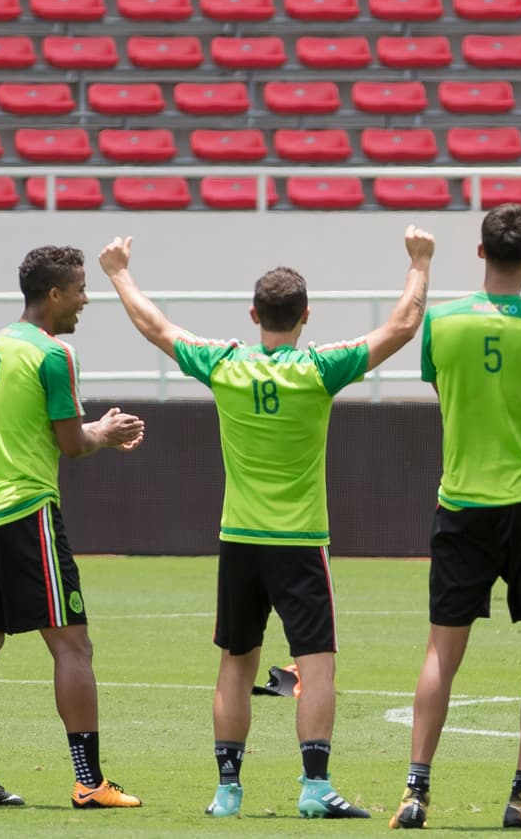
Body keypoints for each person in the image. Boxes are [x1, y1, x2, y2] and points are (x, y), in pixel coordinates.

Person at [98, 228, 434, 820]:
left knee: (236, 661)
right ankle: (314, 787)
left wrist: (119, 272)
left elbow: (157, 327)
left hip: (240, 540)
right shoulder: (320, 369)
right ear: (306, 316)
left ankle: (227, 792)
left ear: (254, 314)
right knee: (318, 662)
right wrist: (420, 262)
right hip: (300, 542)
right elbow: (403, 327)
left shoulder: (223, 364)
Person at [389, 204, 521, 831]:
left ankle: (416, 790)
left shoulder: (442, 323)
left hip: (462, 504)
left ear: (480, 253)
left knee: (441, 652)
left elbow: (443, 390)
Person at [0, 245, 146, 810]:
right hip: (25, 509)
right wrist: (105, 431)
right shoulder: (54, 355)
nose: (87, 300)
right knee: (73, 645)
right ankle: (89, 782)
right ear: (55, 294)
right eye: (81, 289)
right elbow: (70, 444)